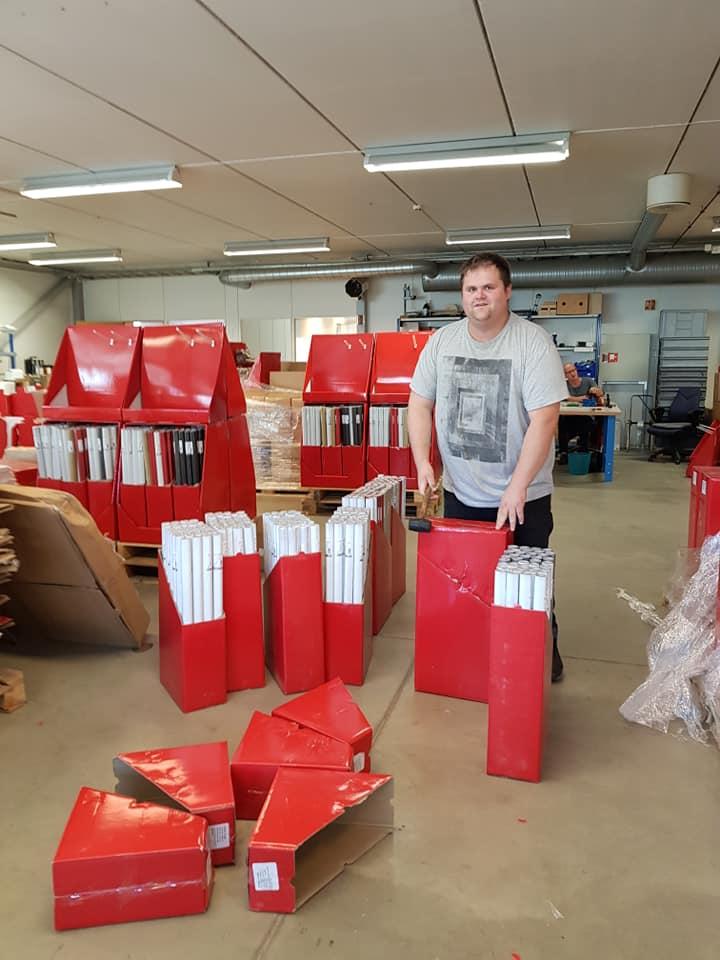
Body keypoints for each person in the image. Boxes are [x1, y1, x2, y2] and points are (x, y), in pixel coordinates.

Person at [407, 252, 568, 681]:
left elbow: (545, 419)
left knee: (530, 588)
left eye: (489, 287)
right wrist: (423, 461)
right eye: (471, 289)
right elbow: (419, 403)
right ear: (462, 295)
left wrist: (517, 486)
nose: (479, 296)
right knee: (469, 585)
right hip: (462, 493)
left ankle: (541, 659)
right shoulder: (442, 342)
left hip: (523, 498)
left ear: (507, 291)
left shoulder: (533, 343)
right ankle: (482, 658)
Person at [557, 362, 605, 465]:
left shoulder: (588, 381)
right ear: (565, 375)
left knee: (585, 423)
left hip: (585, 417)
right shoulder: (563, 385)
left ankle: (584, 451)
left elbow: (600, 394)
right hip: (569, 418)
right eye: (569, 372)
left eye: (573, 370)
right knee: (561, 422)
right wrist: (580, 398)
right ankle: (563, 452)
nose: (572, 374)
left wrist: (597, 391)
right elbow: (563, 397)